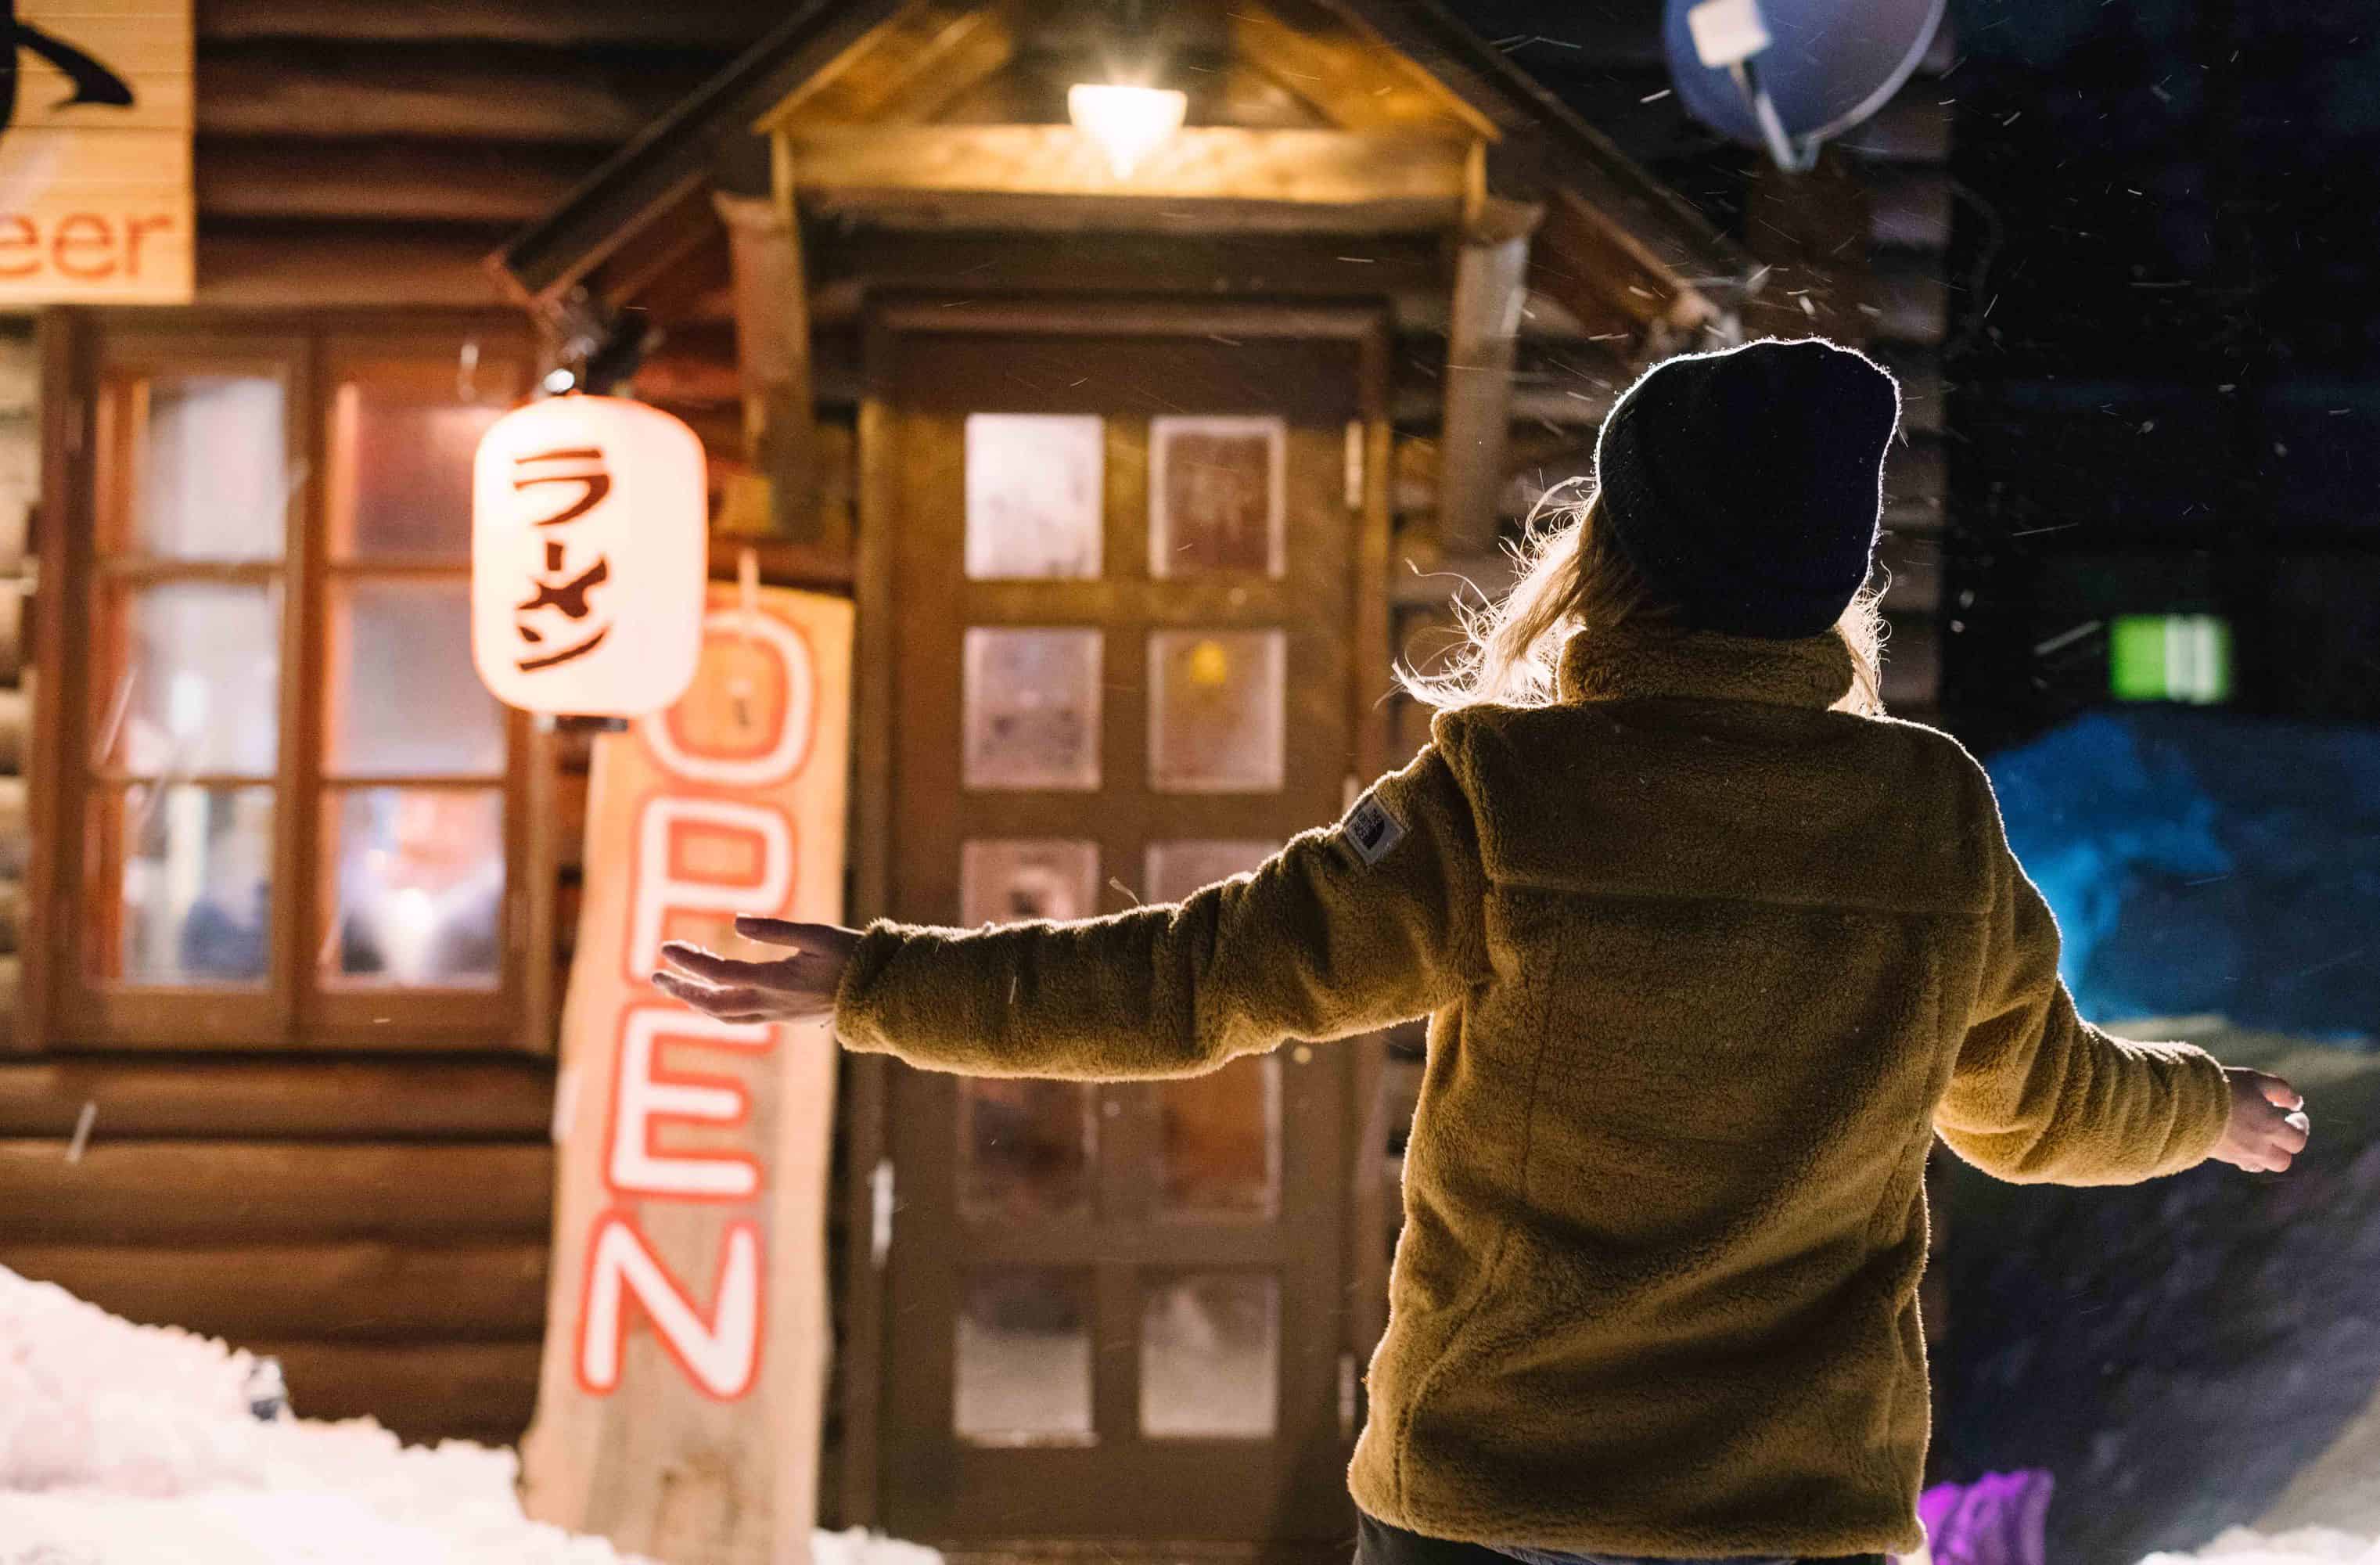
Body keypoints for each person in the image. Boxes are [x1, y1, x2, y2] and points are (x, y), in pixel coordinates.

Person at [653, 339, 2310, 1565]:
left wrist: (871, 980)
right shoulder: (1928, 819)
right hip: (1792, 1516)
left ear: (1622, 558)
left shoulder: (1512, 795)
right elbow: (2039, 1106)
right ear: (1824, 582)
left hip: (1498, 1503)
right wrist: (2206, 1109)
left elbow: (1191, 981)